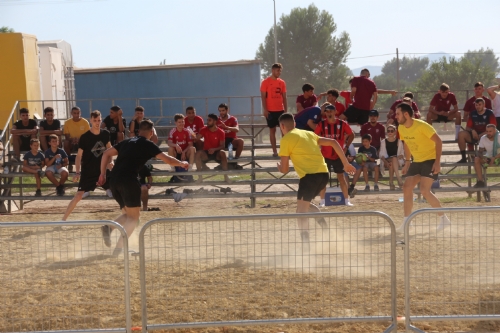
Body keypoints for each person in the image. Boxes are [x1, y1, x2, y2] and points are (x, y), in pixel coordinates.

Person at [97, 119, 188, 255]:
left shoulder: (127, 141)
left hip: (114, 180)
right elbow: (168, 160)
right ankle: (118, 250)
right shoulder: (148, 144)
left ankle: (109, 228)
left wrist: (102, 174)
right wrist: (182, 163)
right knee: (134, 218)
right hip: (128, 180)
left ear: (139, 131)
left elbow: (105, 154)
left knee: (128, 215)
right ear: (151, 133)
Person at [277, 113, 355, 252]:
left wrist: (279, 167)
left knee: (300, 211)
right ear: (294, 124)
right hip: (323, 174)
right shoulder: (308, 133)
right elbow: (333, 142)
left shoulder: (286, 139)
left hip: (309, 176)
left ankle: (306, 246)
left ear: (282, 126)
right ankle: (325, 229)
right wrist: (345, 164)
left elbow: (284, 169)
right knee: (304, 206)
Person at [395, 103, 450, 231]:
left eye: (398, 114)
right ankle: (407, 222)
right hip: (417, 161)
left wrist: (437, 162)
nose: (396, 116)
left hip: (430, 160)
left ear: (406, 114)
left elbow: (439, 141)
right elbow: (407, 144)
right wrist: (408, 161)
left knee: (425, 191)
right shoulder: (401, 128)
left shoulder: (422, 126)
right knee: (406, 187)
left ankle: (444, 219)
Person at [62, 110, 112, 221]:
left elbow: (110, 149)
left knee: (119, 191)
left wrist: (111, 161)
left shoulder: (105, 134)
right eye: (95, 121)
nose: (97, 123)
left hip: (103, 170)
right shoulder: (85, 137)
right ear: (90, 121)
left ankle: (129, 216)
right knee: (78, 195)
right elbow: (79, 156)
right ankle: (63, 220)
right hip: (88, 171)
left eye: (99, 120)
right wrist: (77, 172)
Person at [314, 104, 354, 207]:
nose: (329, 113)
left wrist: (346, 147)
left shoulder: (342, 124)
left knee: (341, 177)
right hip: (325, 155)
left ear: (335, 112)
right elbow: (314, 137)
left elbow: (351, 134)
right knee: (323, 179)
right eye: (327, 111)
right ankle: (322, 202)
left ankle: (346, 200)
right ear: (325, 113)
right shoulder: (321, 124)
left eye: (331, 111)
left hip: (338, 156)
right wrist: (318, 148)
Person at [457, 98, 497, 163]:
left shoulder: (489, 113)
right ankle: (463, 158)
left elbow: (493, 127)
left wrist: (484, 134)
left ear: (484, 105)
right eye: (476, 105)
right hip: (475, 134)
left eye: (479, 104)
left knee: (492, 135)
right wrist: (472, 130)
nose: (478, 106)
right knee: (461, 134)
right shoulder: (473, 113)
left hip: (487, 135)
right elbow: (467, 127)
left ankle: (488, 158)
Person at [260, 63, 287, 157]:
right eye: (277, 70)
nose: (279, 72)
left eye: (280, 71)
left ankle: (284, 151)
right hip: (270, 110)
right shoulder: (265, 82)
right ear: (272, 70)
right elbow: (263, 97)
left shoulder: (282, 82)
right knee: (272, 130)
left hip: (281, 110)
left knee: (284, 131)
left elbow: (284, 97)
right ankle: (275, 151)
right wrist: (265, 110)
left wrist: (286, 110)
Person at [195, 113, 230, 183]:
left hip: (217, 153)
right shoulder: (204, 129)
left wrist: (214, 149)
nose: (207, 122)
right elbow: (196, 139)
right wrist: (194, 136)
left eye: (209, 120)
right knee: (198, 153)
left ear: (215, 122)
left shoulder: (221, 132)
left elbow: (222, 146)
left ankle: (226, 176)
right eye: (207, 120)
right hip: (206, 152)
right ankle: (200, 177)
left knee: (223, 152)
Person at [380, 125, 405, 190]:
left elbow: (402, 154)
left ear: (395, 132)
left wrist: (396, 158)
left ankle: (391, 182)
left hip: (396, 160)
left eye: (392, 131)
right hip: (386, 160)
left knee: (392, 163)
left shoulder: (399, 141)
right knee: (393, 159)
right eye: (388, 131)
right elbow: (381, 155)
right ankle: (398, 178)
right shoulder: (383, 142)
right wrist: (385, 161)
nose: (390, 132)